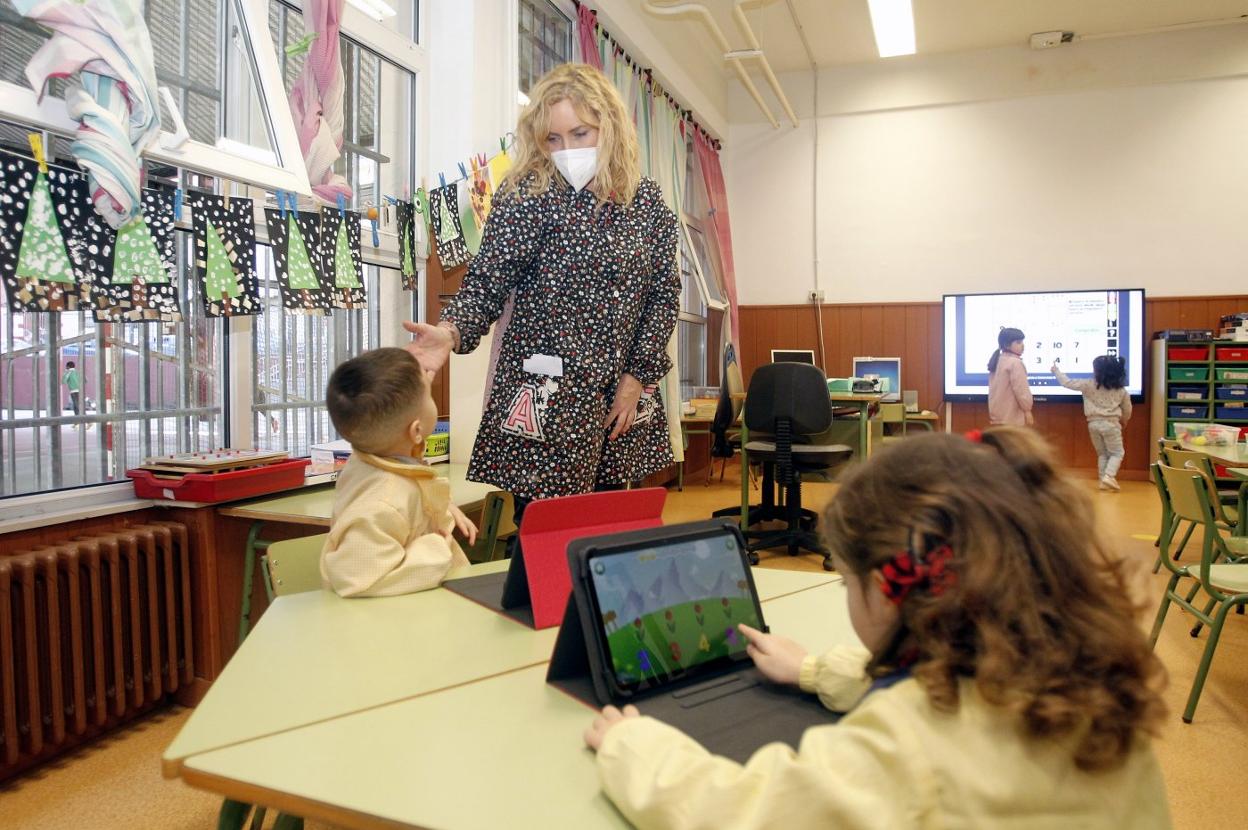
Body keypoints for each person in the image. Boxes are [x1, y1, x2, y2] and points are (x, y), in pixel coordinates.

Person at [584, 429, 1170, 829]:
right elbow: (960, 706)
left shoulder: (906, 752)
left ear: (891, 592)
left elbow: (741, 813)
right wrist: (813, 668)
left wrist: (631, 746)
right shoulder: (1085, 687)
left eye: (846, 581)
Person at [401, 64, 680, 521]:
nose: (566, 149)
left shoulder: (645, 203)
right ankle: (534, 595)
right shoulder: (526, 195)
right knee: (546, 529)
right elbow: (487, 282)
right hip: (546, 391)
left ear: (609, 128)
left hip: (619, 393)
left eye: (580, 133)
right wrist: (450, 332)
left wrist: (636, 377)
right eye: (553, 139)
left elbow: (663, 297)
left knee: (609, 526)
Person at [321, 348, 477, 598]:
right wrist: (435, 545)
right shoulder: (382, 502)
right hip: (388, 625)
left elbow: (412, 495)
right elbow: (357, 579)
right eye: (429, 394)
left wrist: (442, 507)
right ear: (416, 431)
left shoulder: (374, 458)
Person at [1051, 355, 1132, 491]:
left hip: (1093, 424)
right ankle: (1109, 476)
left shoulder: (1088, 385)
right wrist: (1125, 420)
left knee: (1102, 454)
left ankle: (1103, 481)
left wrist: (1056, 371)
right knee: (1117, 453)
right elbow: (1127, 409)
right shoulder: (1121, 390)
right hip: (1111, 424)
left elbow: (1067, 383)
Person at [987, 327, 1033, 426]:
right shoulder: (1015, 363)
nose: (1022, 345)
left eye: (1022, 342)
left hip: (997, 417)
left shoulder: (997, 360)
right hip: (1012, 418)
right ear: (1007, 345)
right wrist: (1027, 410)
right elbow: (1021, 390)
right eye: (1018, 342)